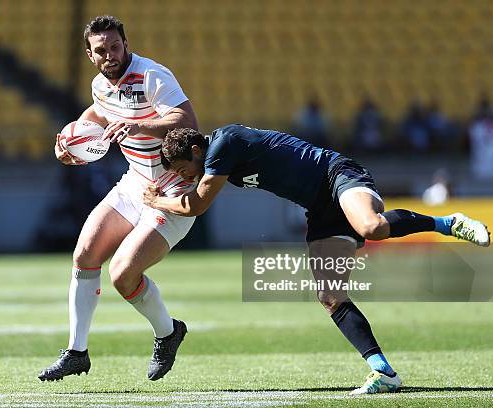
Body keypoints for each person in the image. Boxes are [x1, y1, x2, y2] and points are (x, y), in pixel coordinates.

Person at [143, 124, 490, 395]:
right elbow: (196, 194)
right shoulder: (217, 156)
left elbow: (198, 204)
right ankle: (384, 372)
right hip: (319, 207)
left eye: (183, 169)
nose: (183, 177)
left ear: (194, 150)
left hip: (336, 174)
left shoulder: (223, 144)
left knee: (372, 226)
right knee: (330, 296)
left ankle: (449, 222)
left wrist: (156, 202)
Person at [38, 16, 198, 382]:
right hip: (134, 184)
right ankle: (76, 352)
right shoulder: (99, 85)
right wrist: (71, 139)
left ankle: (168, 332)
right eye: (101, 50)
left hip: (172, 189)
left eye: (115, 46)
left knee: (123, 275)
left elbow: (187, 121)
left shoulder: (153, 75)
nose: (109, 54)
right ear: (90, 54)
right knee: (84, 254)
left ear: (126, 44)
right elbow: (99, 110)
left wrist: (138, 125)